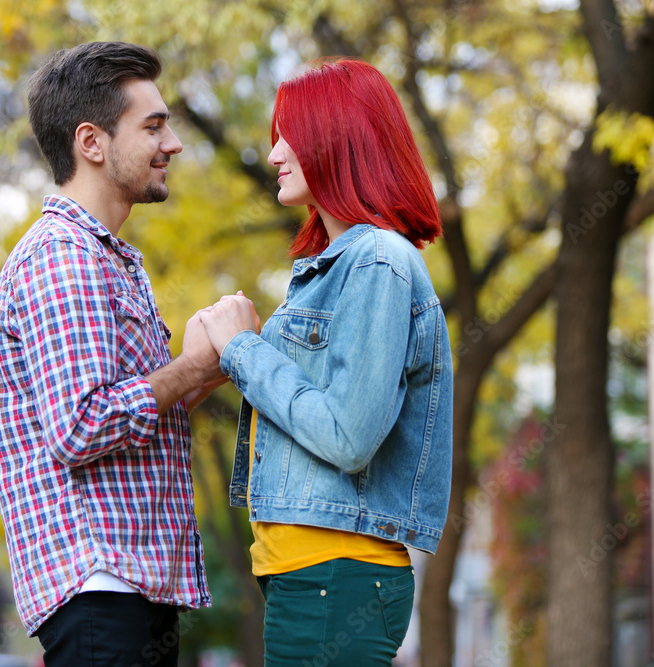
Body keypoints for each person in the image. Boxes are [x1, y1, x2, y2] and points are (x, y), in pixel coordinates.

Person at [200, 58, 454, 665]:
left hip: (334, 578)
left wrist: (244, 350)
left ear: (335, 137)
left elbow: (348, 435)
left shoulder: (375, 262)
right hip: (315, 574)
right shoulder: (340, 265)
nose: (274, 154)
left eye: (288, 134)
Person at [0, 41, 223, 667]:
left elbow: (131, 417)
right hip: (101, 589)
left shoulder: (110, 259)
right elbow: (81, 426)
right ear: (92, 143)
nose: (172, 143)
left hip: (129, 590)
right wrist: (193, 364)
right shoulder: (63, 256)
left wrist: (214, 364)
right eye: (153, 126)